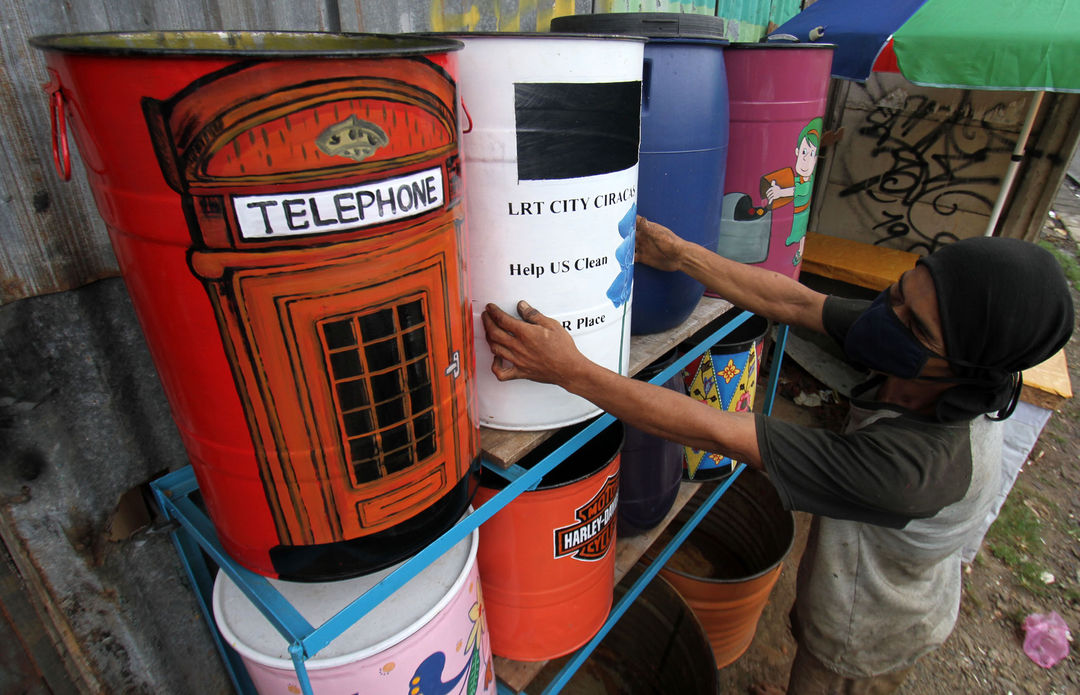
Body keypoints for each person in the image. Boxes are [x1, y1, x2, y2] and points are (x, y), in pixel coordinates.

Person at [480, 216, 1074, 694]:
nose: (888, 316)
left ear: (966, 369)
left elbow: (721, 433)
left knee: (824, 658)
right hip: (860, 556)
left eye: (914, 325)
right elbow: (798, 304)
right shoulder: (915, 334)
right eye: (899, 292)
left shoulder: (916, 471)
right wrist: (682, 253)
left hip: (876, 613)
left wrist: (571, 371)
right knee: (812, 610)